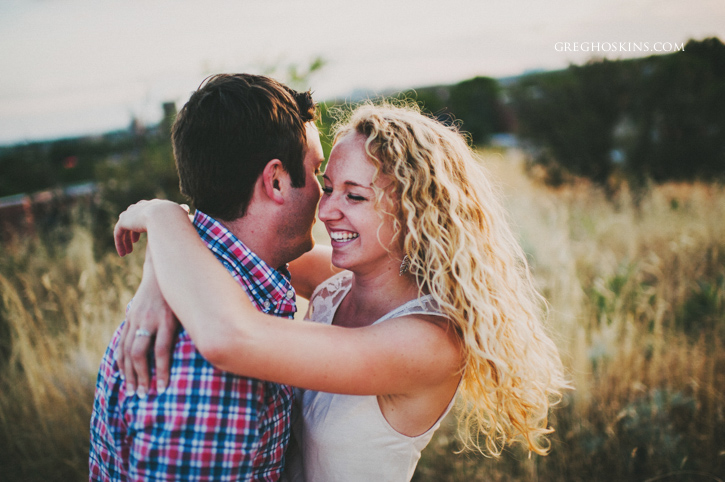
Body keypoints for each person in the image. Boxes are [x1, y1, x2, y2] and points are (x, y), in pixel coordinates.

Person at [114, 102, 569, 481]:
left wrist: (160, 217)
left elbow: (230, 338)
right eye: (328, 187)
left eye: (354, 196)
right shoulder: (334, 285)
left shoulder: (429, 342)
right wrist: (155, 278)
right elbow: (219, 248)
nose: (326, 210)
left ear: (416, 213)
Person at [89, 73, 327, 481]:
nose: (324, 193)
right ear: (275, 180)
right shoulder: (203, 376)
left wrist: (163, 219)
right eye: (317, 171)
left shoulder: (218, 273)